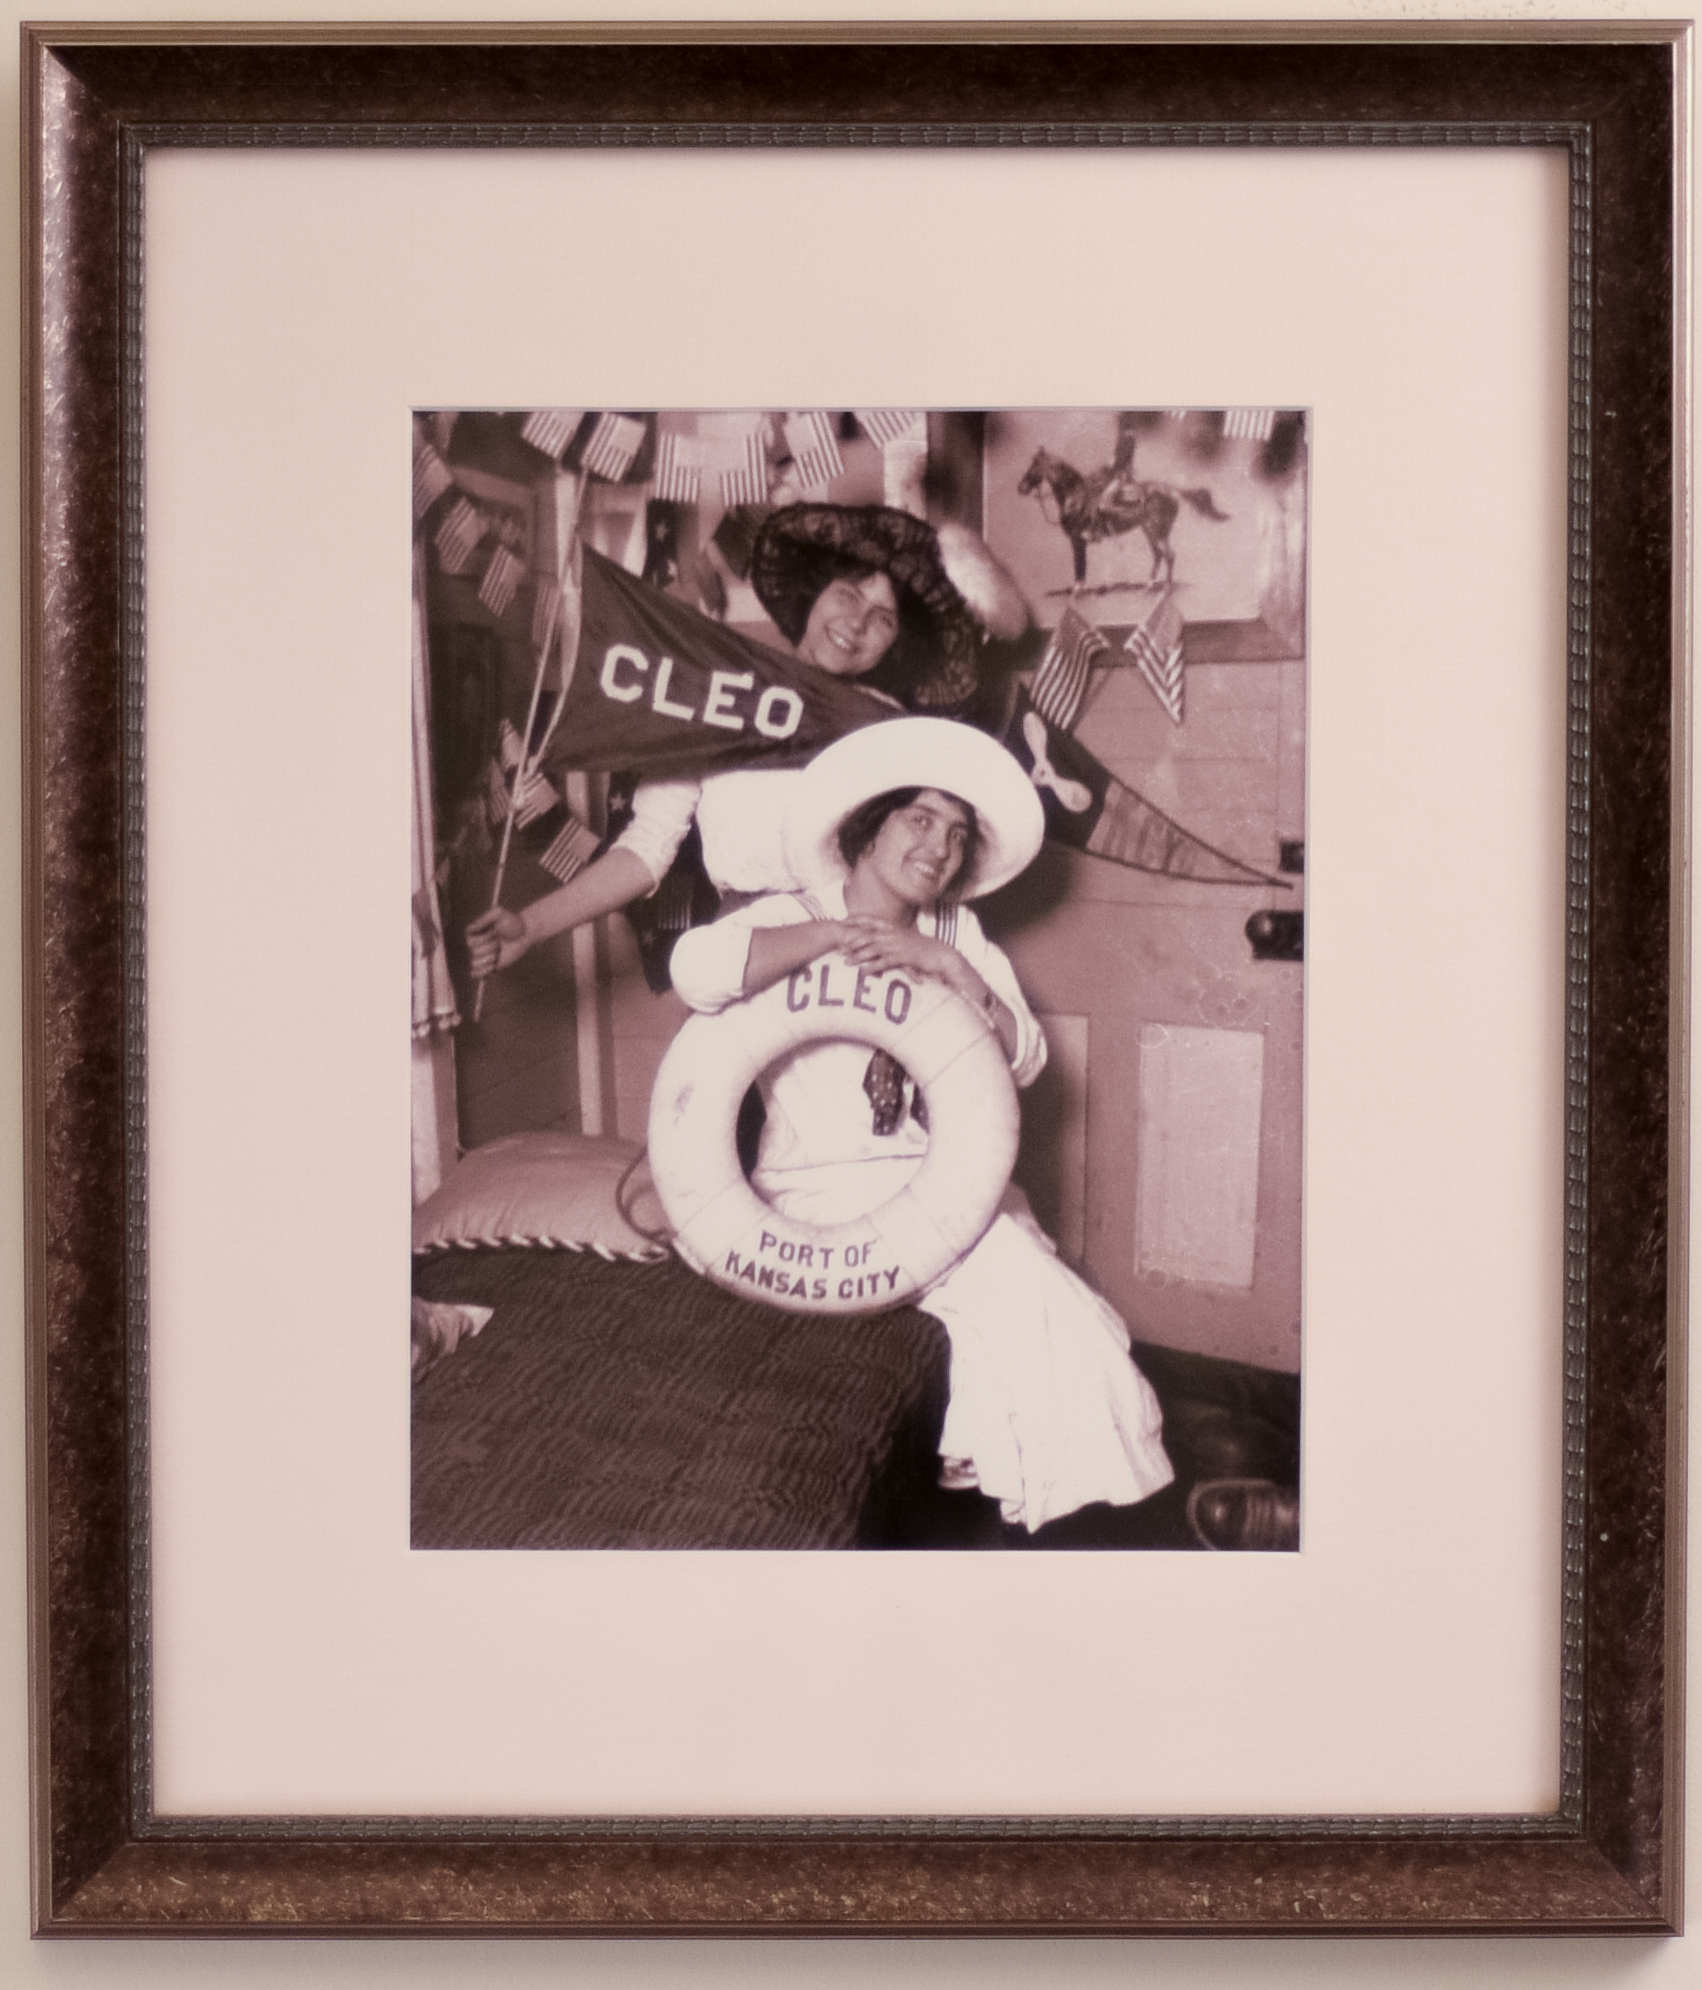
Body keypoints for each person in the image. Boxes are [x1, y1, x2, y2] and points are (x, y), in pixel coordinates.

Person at [668, 718, 1174, 1535]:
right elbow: (693, 971)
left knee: (1053, 1303)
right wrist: (834, 937)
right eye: (921, 818)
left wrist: (950, 968)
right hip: (810, 1190)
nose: (939, 846)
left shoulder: (954, 932)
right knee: (1039, 1298)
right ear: (870, 827)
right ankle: (1057, 1492)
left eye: (957, 833)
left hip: (929, 1176)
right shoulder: (788, 913)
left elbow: (1026, 1057)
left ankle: (1047, 1487)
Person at [466, 503, 1027, 983]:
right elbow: (646, 848)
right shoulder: (719, 691)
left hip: (857, 961)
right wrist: (532, 925)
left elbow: (929, 864)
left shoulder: (896, 733)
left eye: (882, 618)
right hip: (740, 955)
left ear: (896, 643)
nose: (855, 622)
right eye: (847, 594)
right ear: (814, 593)